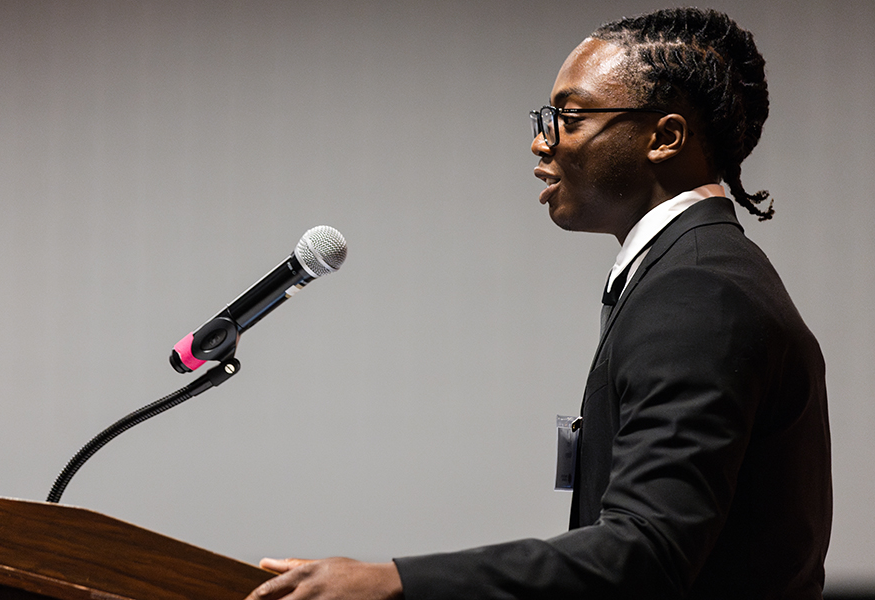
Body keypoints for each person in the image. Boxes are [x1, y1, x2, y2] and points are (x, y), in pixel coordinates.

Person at [244, 8, 832, 599]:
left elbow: (649, 548)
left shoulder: (698, 289)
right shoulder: (693, 270)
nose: (540, 140)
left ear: (665, 138)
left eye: (569, 117)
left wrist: (397, 583)